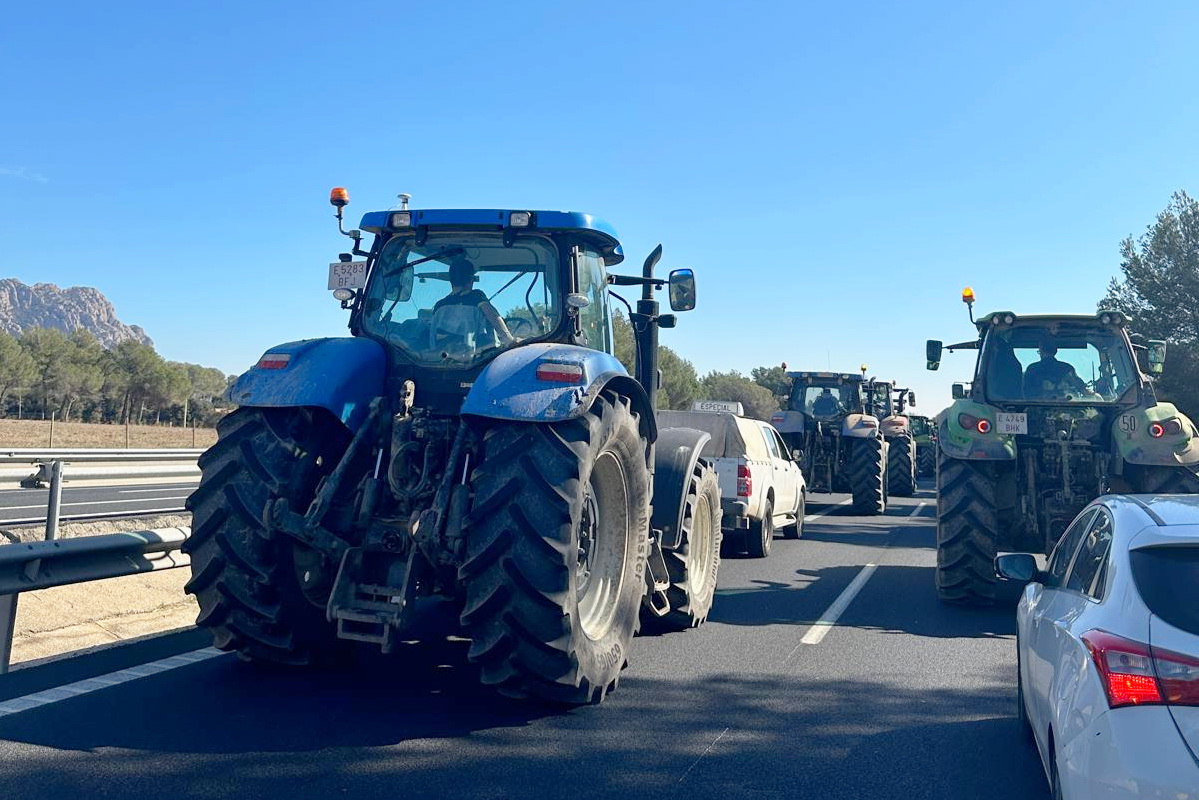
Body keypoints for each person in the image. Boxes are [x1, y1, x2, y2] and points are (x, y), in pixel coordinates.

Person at [430, 257, 515, 351]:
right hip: (480, 357)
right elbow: (491, 315)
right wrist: (510, 341)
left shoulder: (439, 306)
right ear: (471, 279)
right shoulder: (476, 296)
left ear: (451, 280)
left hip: (445, 358)